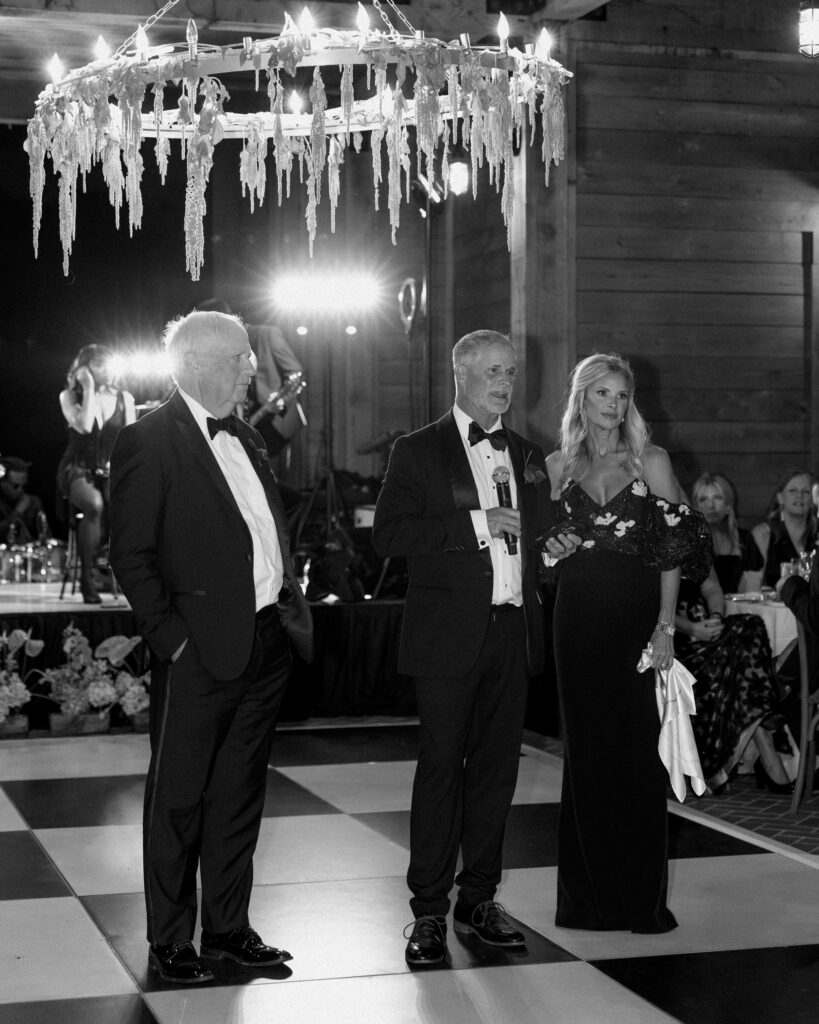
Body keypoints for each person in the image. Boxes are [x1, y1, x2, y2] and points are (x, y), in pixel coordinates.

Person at [109, 311, 313, 985]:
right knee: (178, 801)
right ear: (195, 362)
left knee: (237, 796)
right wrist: (174, 644)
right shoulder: (149, 440)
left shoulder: (248, 439)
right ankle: (170, 941)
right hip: (197, 651)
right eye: (239, 358)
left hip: (263, 643)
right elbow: (131, 556)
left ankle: (226, 929)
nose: (250, 367)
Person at [372, 329, 550, 966]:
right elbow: (388, 534)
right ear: (462, 375)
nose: (505, 383)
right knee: (441, 771)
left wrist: (550, 553)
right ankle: (427, 912)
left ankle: (479, 899)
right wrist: (478, 524)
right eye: (494, 372)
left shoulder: (527, 452)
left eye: (510, 372)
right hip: (447, 637)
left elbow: (539, 541)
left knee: (498, 774)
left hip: (511, 631)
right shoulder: (417, 450)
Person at [543, 352, 710, 934]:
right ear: (581, 399)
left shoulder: (651, 461)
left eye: (621, 395)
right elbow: (546, 548)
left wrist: (666, 626)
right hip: (576, 620)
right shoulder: (558, 463)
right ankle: (586, 902)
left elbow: (676, 549)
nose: (613, 406)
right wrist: (554, 548)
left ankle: (639, 902)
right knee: (586, 758)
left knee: (638, 758)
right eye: (602, 395)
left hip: (637, 622)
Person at [674, 565, 791, 794]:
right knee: (742, 662)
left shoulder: (697, 536)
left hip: (706, 629)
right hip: (677, 639)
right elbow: (656, 606)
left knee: (751, 626)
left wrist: (716, 618)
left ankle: (760, 741)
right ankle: (764, 737)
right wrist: (692, 629)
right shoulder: (656, 541)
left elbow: (713, 590)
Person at [57, 344, 135, 603]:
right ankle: (87, 581)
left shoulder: (125, 398)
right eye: (99, 364)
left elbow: (131, 442)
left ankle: (128, 574)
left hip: (111, 470)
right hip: (77, 468)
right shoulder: (69, 397)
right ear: (84, 369)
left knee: (128, 507)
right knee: (94, 505)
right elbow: (84, 425)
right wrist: (88, 388)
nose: (106, 370)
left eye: (108, 363)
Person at [196, 298, 305, 463]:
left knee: (269, 479)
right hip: (243, 420)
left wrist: (279, 400)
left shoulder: (267, 334)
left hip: (273, 421)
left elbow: (296, 372)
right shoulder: (220, 348)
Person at [692, 472, 763, 593]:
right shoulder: (691, 541)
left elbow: (754, 585)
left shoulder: (745, 539)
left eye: (718, 498)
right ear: (696, 507)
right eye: (703, 499)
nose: (710, 505)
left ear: (728, 505)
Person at [751, 469, 817, 588]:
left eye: (806, 492)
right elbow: (751, 587)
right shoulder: (763, 534)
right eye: (793, 491)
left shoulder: (817, 534)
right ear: (780, 497)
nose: (799, 496)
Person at [0, 455, 48, 545]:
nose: (20, 490)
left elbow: (45, 534)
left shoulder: (33, 502)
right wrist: (17, 513)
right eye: (15, 486)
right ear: (3, 483)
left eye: (24, 486)